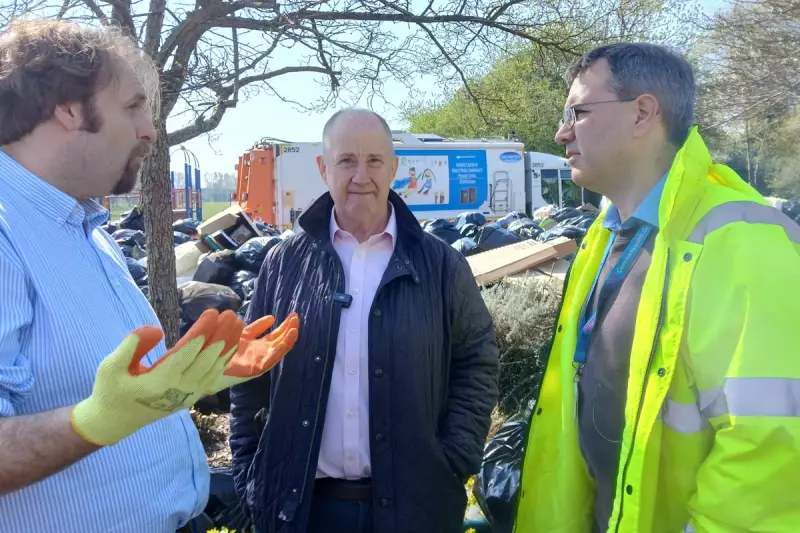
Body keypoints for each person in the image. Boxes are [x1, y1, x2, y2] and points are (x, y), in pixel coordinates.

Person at [0, 19, 299, 533]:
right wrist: (95, 421)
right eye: (134, 106)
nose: (150, 130)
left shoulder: (83, 226)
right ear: (69, 109)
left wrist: (183, 384)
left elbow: (107, 382)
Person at [513, 42, 800, 533]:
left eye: (577, 111)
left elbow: (772, 448)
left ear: (643, 113)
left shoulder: (741, 239)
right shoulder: (605, 235)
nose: (562, 131)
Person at [229, 108, 500, 533]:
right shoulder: (284, 265)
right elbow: (248, 374)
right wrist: (249, 470)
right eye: (346, 161)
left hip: (412, 511)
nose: (362, 175)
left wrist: (452, 461)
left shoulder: (442, 267)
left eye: (375, 161)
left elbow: (477, 365)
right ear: (323, 168)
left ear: (393, 167)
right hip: (301, 511)